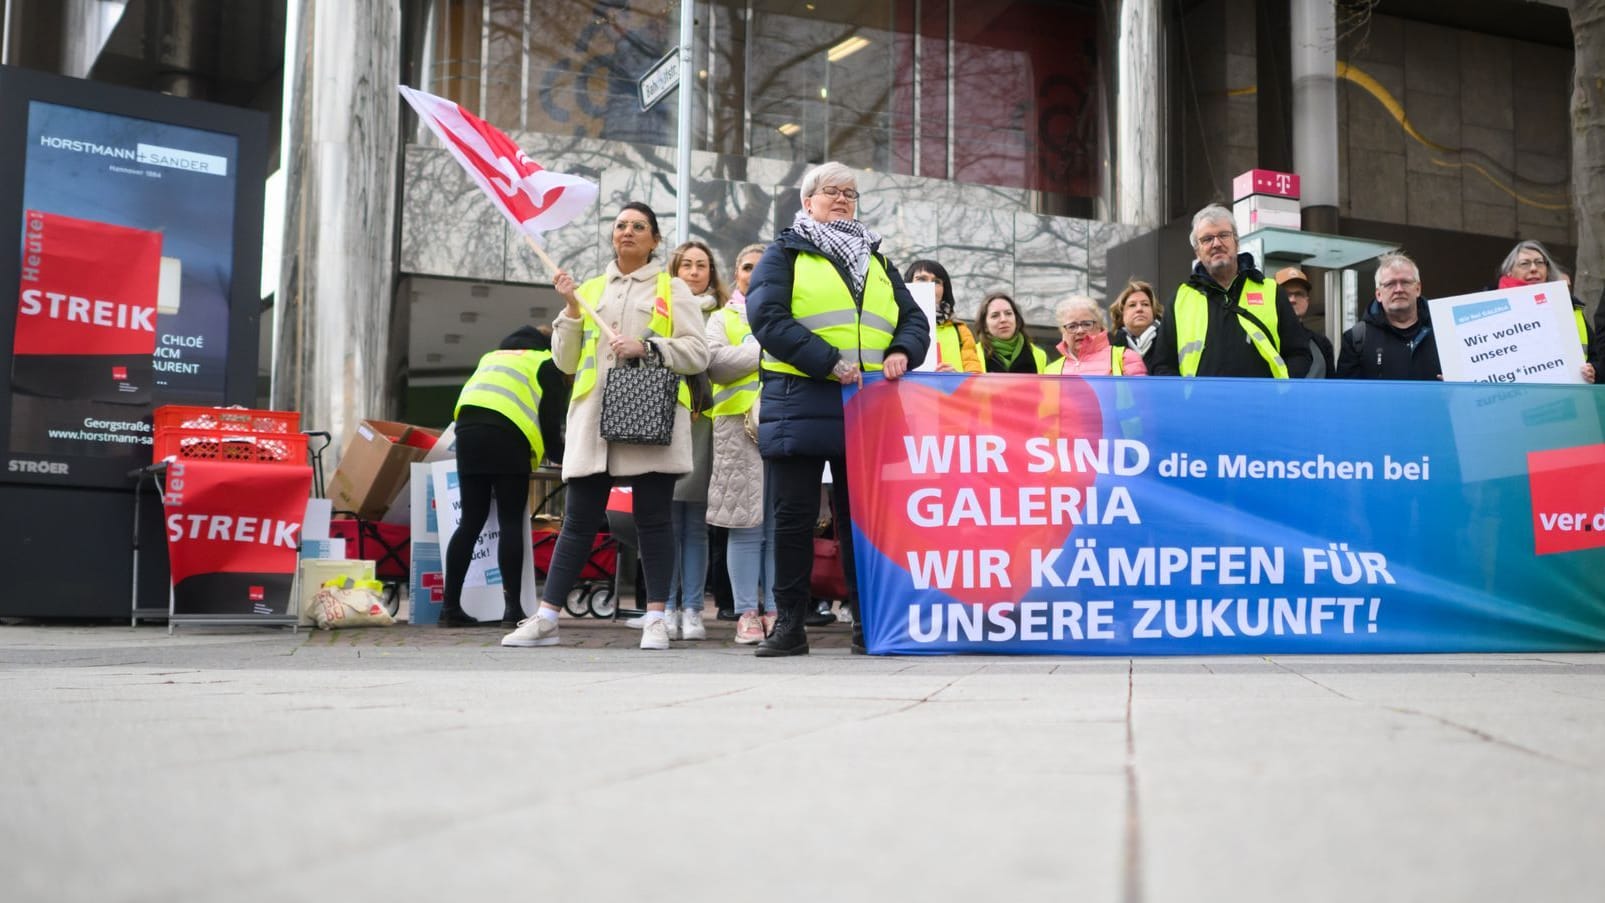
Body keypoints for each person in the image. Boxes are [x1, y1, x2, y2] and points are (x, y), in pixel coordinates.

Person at [501, 201, 709, 651]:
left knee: (654, 520)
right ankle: (548, 617)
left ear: (655, 240)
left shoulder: (673, 289)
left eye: (638, 226)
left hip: (649, 415)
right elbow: (565, 360)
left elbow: (698, 352)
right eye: (620, 226)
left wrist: (650, 347)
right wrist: (571, 310)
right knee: (577, 521)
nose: (627, 232)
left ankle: (656, 617)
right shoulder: (591, 287)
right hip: (594, 421)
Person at [748, 161, 930, 656]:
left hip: (865, 404)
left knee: (862, 522)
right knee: (794, 519)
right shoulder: (784, 252)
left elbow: (913, 320)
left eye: (850, 192)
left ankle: (868, 625)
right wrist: (827, 363)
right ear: (808, 202)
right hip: (799, 399)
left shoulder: (877, 260)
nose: (843, 199)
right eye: (831, 191)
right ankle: (789, 626)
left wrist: (902, 352)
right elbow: (767, 316)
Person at [439, 325, 565, 628]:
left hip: (467, 433)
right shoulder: (544, 362)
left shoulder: (491, 357)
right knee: (510, 521)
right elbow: (550, 427)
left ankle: (450, 608)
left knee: (470, 522)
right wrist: (566, 460)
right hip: (508, 438)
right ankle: (512, 611)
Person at [705, 244, 778, 644]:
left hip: (784, 422)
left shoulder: (792, 312)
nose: (754, 272)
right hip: (737, 429)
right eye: (747, 266)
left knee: (780, 527)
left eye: (764, 266)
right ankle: (748, 613)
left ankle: (777, 610)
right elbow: (715, 362)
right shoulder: (722, 317)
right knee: (746, 525)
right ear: (736, 273)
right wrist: (767, 349)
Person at [1148, 204, 1312, 378]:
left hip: (1262, 404)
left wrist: (1278, 392)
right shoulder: (1180, 300)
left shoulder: (1271, 291)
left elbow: (1299, 354)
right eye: (1207, 239)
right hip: (1202, 404)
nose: (1216, 243)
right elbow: (1163, 365)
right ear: (1197, 251)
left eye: (1224, 235)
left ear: (1237, 242)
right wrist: (1187, 400)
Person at [661, 240, 726, 641]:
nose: (694, 272)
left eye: (702, 265)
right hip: (667, 418)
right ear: (675, 269)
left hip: (707, 421)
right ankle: (665, 606)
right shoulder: (662, 309)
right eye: (687, 264)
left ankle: (693, 610)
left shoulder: (722, 315)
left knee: (696, 524)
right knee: (666, 521)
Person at [1494, 242, 1596, 383]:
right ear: (1509, 272)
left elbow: (1595, 355)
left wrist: (1593, 370)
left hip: (1568, 396)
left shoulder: (1568, 306)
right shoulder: (1491, 311)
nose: (1534, 268)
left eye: (1539, 263)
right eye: (1525, 264)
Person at [1335, 253, 1441, 381]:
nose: (1398, 289)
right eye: (1390, 284)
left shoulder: (1444, 329)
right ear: (1378, 294)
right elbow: (1348, 395)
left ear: (1418, 289)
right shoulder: (1356, 339)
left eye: (1405, 282)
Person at [905, 260, 982, 374]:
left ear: (944, 290)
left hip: (950, 392)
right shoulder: (894, 324)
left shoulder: (960, 331)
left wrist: (955, 378)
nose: (930, 285)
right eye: (921, 279)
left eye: (936, 281)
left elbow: (976, 376)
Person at [1047, 295, 1147, 375]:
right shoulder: (1050, 371)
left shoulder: (1125, 358)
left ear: (1099, 326)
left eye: (1087, 324)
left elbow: (1140, 398)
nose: (1080, 331)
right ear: (1063, 331)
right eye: (1072, 326)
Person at [1273, 266, 1334, 378]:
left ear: (1307, 300)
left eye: (1299, 294)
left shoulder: (1322, 344)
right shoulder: (1266, 339)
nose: (1292, 300)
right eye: (1286, 294)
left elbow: (1331, 388)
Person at [974, 291, 1046, 372]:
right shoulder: (973, 355)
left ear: (1016, 319)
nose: (1003, 319)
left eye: (1008, 313)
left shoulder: (1039, 355)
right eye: (995, 315)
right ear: (985, 325)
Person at [1107, 280, 1163, 372]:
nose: (1139, 309)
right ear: (1121, 313)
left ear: (1154, 312)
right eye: (1132, 305)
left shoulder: (1167, 341)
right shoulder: (1110, 343)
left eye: (1145, 304)